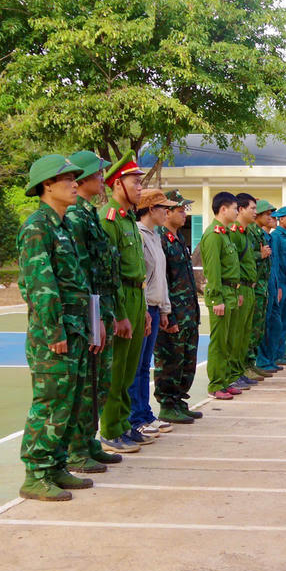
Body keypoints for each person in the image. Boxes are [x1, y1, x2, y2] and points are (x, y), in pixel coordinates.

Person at [16, 153, 94, 501]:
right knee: (49, 402)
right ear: (47, 185)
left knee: (70, 402)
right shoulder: (37, 227)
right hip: (55, 332)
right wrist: (54, 332)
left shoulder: (61, 226)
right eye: (67, 179)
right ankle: (35, 473)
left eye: (76, 178)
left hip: (74, 328)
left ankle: (56, 465)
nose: (75, 184)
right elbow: (40, 286)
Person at [61, 150, 124, 469]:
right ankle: (76, 450)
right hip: (90, 310)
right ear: (82, 179)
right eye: (98, 175)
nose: (103, 179)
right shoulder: (75, 217)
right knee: (86, 384)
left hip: (104, 306)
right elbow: (81, 272)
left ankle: (89, 440)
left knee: (100, 381)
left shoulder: (87, 213)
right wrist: (94, 316)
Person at [98, 152, 152, 448]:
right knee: (117, 368)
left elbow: (137, 271)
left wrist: (142, 309)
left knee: (130, 368)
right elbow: (112, 272)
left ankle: (124, 424)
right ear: (118, 184)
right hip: (120, 297)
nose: (140, 188)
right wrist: (119, 314)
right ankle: (110, 429)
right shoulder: (109, 220)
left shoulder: (128, 220)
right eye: (136, 182)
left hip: (136, 294)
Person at [128, 189, 174, 437]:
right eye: (162, 207)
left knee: (145, 366)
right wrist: (145, 309)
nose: (166, 212)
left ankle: (145, 413)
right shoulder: (139, 234)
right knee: (135, 367)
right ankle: (135, 417)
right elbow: (141, 277)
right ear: (149, 209)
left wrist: (164, 308)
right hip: (142, 309)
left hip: (156, 308)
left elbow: (161, 278)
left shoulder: (155, 236)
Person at [155, 190, 202, 425]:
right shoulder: (161, 239)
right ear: (167, 212)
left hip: (188, 313)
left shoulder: (179, 239)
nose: (185, 214)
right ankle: (167, 403)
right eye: (181, 209)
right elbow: (162, 280)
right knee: (170, 360)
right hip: (173, 313)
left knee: (186, 360)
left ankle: (179, 400)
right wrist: (169, 315)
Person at [199, 192, 243, 400]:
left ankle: (225, 380)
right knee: (218, 343)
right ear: (223, 209)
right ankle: (216, 384)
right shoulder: (213, 235)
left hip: (231, 292)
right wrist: (217, 299)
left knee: (228, 341)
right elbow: (213, 269)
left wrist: (237, 291)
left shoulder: (225, 234)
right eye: (235, 208)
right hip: (221, 294)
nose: (237, 212)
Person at [258, 206, 286, 370]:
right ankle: (269, 357)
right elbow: (276, 264)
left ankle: (279, 355)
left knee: (283, 322)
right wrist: (279, 286)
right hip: (278, 284)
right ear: (283, 219)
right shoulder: (275, 237)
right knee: (274, 323)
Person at [228, 195, 262, 388]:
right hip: (240, 288)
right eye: (252, 208)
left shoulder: (245, 233)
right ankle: (232, 374)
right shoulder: (233, 233)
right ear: (240, 209)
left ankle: (239, 370)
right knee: (235, 335)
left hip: (250, 288)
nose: (255, 212)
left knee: (244, 334)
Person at [245, 199, 276, 379]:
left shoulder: (259, 233)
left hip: (262, 286)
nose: (270, 217)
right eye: (267, 214)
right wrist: (260, 254)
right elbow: (245, 256)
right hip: (254, 286)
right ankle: (246, 365)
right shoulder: (249, 232)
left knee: (258, 327)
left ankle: (252, 362)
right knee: (251, 328)